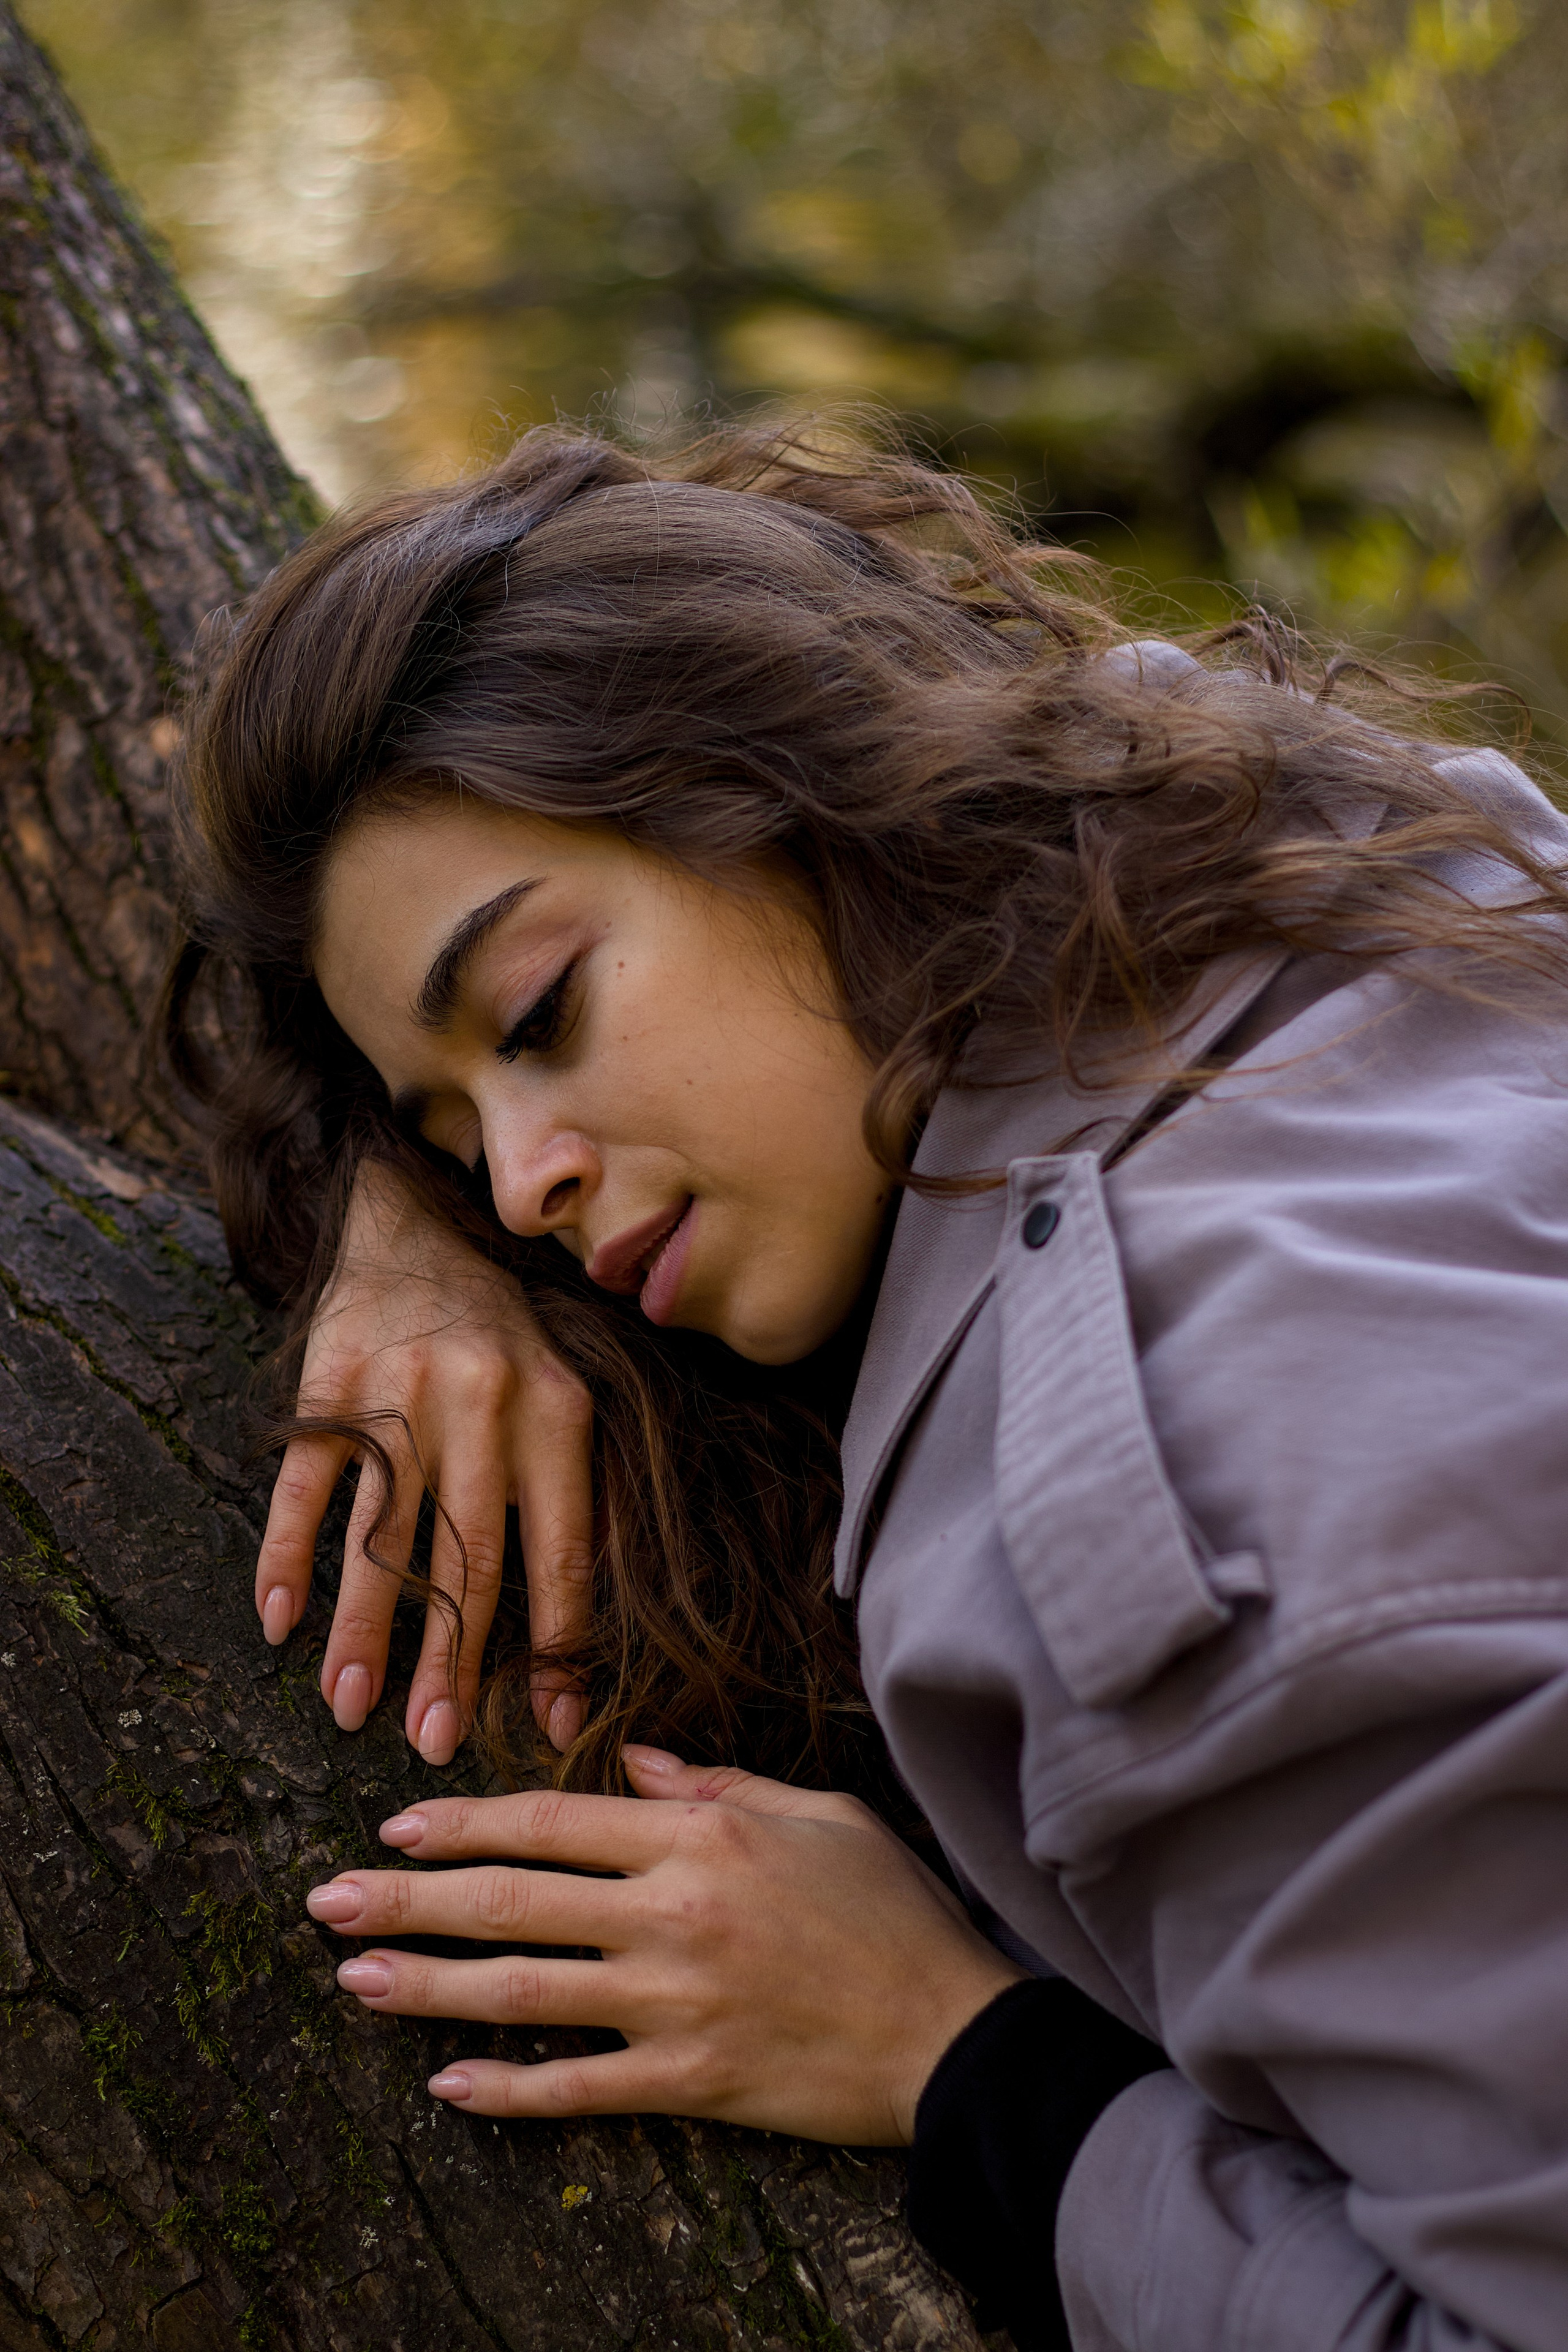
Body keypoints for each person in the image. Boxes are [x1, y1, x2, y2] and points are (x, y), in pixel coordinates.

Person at [166, 421, 1568, 2352]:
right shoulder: (1321, 852)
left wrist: (965, 2066)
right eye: (450, 1124)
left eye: (545, 1015)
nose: (520, 1181)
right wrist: (393, 1217)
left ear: (782, 777)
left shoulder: (1209, 1540)